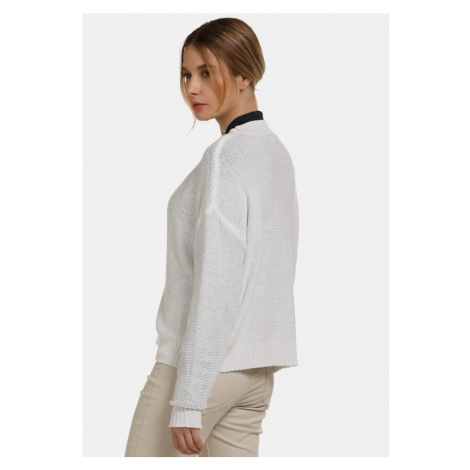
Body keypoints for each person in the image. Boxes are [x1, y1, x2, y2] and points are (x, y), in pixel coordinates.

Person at [125, 17, 299, 458]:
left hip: (202, 370)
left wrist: (188, 399)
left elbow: (217, 283)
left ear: (244, 75)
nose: (192, 88)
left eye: (206, 72)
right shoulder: (276, 153)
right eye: (186, 74)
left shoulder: (226, 157)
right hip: (256, 372)